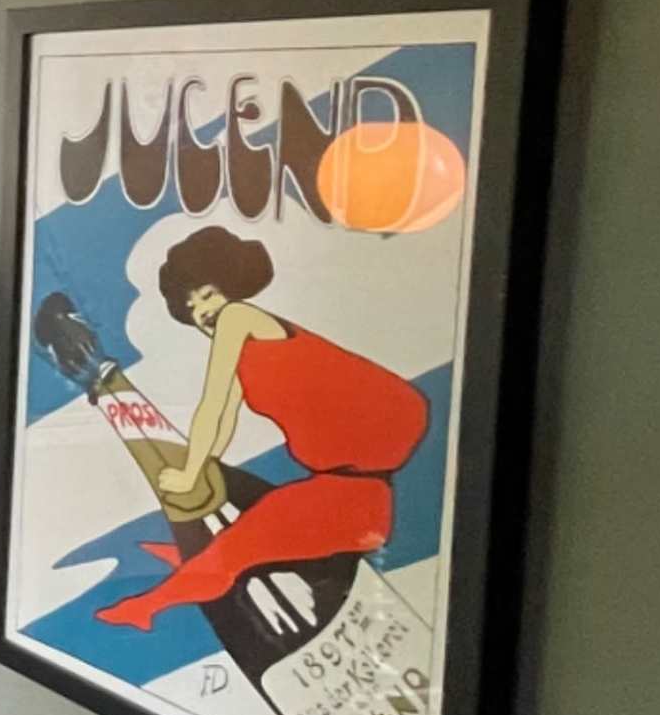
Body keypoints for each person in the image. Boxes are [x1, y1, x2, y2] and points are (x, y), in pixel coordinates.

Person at [95, 223, 426, 632]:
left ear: (230, 287)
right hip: (348, 486)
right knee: (250, 525)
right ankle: (197, 563)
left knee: (241, 546)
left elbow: (211, 404)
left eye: (208, 294)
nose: (203, 311)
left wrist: (188, 474)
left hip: (350, 491)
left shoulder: (239, 318)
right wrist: (202, 471)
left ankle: (147, 606)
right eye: (192, 305)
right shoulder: (244, 341)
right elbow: (223, 420)